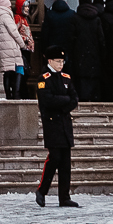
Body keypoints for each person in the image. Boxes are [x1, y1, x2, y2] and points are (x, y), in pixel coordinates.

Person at [34, 51, 79, 207]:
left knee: (65, 162)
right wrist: (64, 101)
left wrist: (63, 102)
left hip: (65, 123)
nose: (61, 64)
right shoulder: (44, 78)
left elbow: (74, 99)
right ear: (50, 61)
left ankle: (64, 197)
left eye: (62, 61)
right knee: (54, 159)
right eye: (58, 61)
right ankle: (42, 190)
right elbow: (47, 100)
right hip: (52, 123)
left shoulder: (66, 78)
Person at [0, 0, 27, 99]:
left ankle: (8, 95)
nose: (11, 8)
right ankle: (16, 94)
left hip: (2, 48)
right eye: (10, 6)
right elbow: (14, 31)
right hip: (11, 47)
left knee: (7, 72)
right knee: (19, 69)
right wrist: (22, 44)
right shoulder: (5, 16)